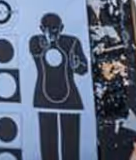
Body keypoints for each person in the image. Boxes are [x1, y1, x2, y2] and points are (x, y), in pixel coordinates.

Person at [29, 12, 89, 160]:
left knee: (71, 148)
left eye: (55, 29)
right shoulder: (36, 41)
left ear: (61, 28)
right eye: (48, 29)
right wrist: (47, 46)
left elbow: (83, 68)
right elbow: (35, 51)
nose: (52, 33)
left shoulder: (72, 42)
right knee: (48, 147)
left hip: (70, 98)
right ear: (41, 28)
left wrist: (77, 65)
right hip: (44, 97)